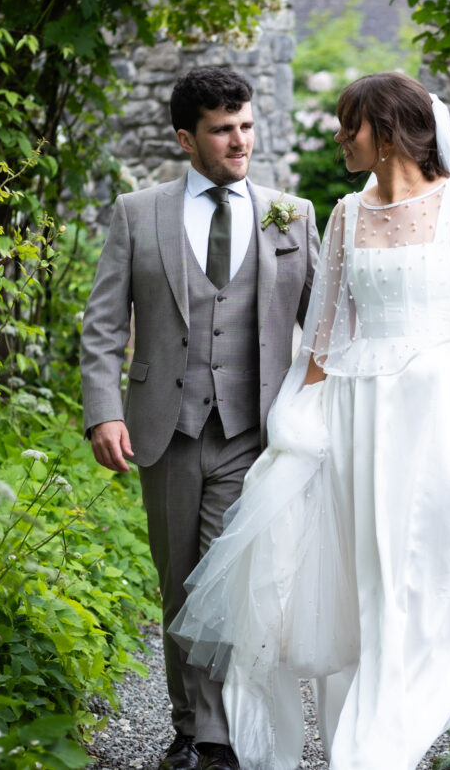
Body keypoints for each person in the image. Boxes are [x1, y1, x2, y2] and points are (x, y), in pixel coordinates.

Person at [170, 71, 450, 769]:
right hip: (359, 414)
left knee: (427, 572)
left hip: (440, 415)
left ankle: (397, 726)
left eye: (351, 124)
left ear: (388, 131)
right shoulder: (345, 214)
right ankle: (361, 743)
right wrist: (294, 425)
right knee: (366, 576)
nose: (340, 136)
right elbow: (327, 334)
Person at [80, 66, 319, 770]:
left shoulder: (291, 213)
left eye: (245, 126)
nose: (239, 141)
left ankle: (213, 737)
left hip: (254, 431)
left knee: (227, 577)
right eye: (222, 130)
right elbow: (100, 327)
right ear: (187, 138)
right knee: (180, 580)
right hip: (166, 425)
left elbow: (325, 326)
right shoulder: (137, 211)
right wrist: (102, 412)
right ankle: (187, 723)